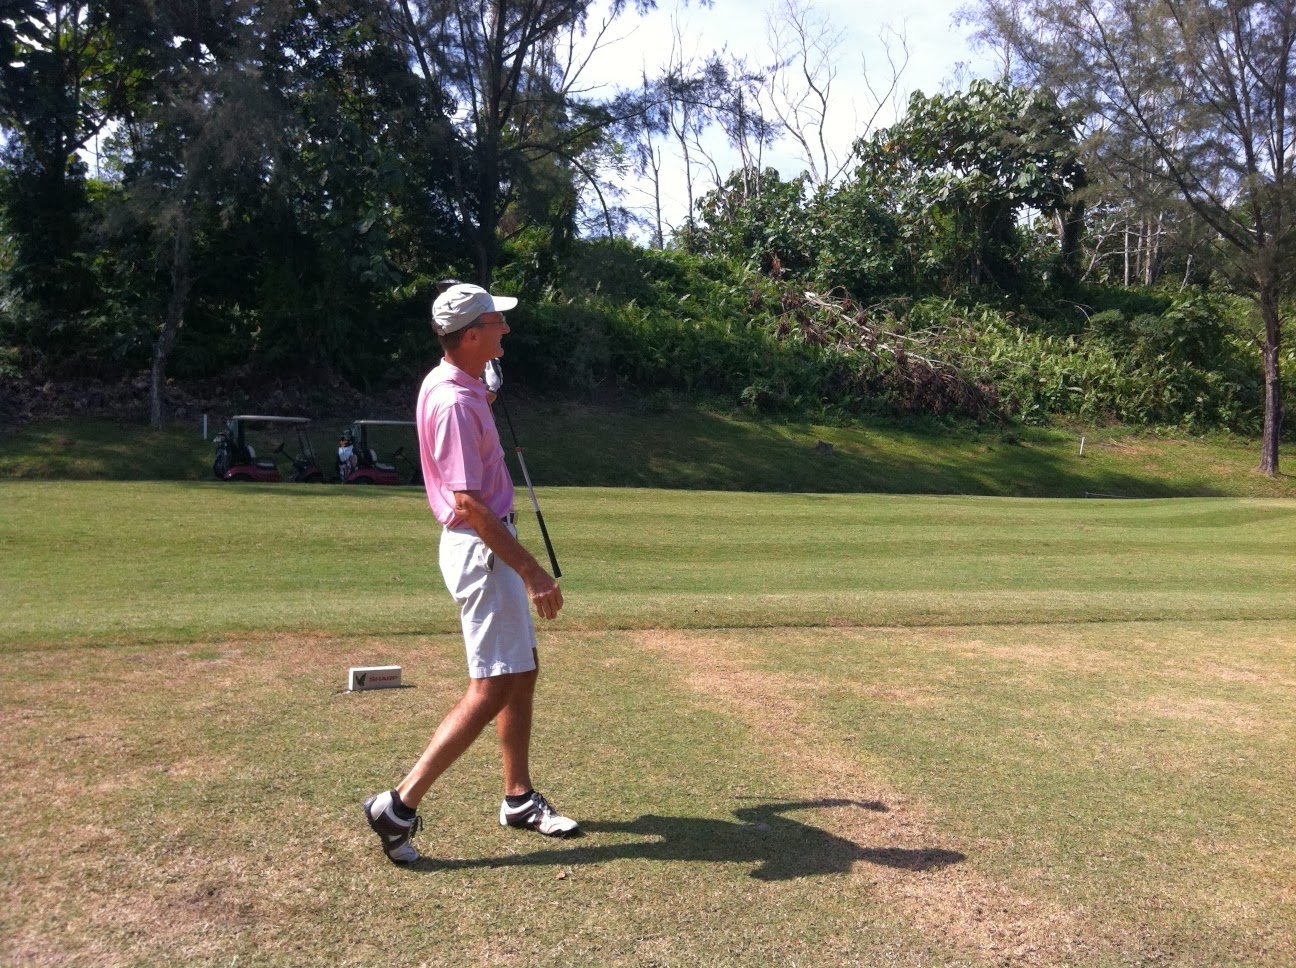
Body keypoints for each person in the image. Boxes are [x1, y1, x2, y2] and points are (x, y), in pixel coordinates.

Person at [362, 282, 574, 865]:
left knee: (521, 671)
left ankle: (518, 798)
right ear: (473, 333)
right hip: (483, 546)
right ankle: (398, 805)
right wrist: (533, 572)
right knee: (492, 685)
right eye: (496, 322)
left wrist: (486, 386)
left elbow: (471, 423)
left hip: (486, 543)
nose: (507, 327)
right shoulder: (455, 402)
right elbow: (468, 503)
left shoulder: (455, 382)